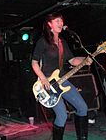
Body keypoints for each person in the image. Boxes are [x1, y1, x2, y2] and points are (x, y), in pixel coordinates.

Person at [31, 12, 92, 140]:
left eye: (61, 21)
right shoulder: (43, 41)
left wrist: (85, 59)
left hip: (63, 80)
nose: (60, 23)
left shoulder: (62, 43)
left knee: (83, 108)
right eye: (57, 21)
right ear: (50, 24)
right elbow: (34, 62)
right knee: (62, 116)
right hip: (48, 85)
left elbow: (72, 60)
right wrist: (43, 78)